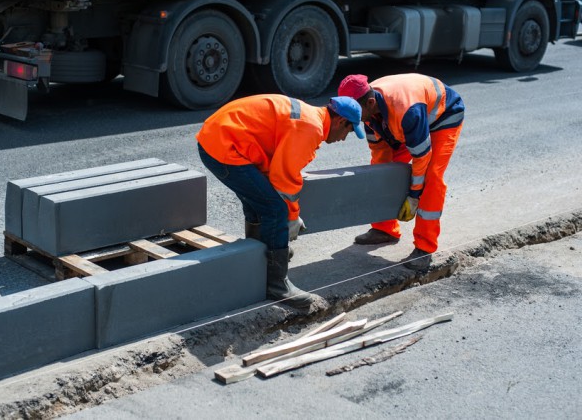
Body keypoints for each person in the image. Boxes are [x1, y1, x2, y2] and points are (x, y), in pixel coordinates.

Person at [196, 94, 365, 308]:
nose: (344, 138)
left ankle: (264, 259)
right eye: (349, 131)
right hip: (224, 147)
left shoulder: (310, 117)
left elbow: (275, 167)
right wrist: (291, 217)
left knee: (260, 203)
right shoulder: (311, 127)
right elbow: (284, 177)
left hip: (218, 138)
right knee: (275, 210)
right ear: (341, 121)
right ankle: (277, 285)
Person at [338, 73, 464, 271]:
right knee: (384, 170)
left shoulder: (407, 110)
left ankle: (425, 247)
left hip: (442, 116)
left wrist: (414, 195)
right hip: (402, 123)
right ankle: (384, 228)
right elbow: (380, 153)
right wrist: (380, 178)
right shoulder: (367, 110)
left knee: (431, 178)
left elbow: (421, 159)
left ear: (370, 103)